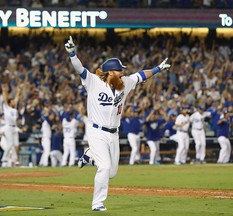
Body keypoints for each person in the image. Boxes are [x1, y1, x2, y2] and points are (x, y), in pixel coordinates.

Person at [65, 36, 170, 211]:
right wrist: (72, 54)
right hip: (97, 131)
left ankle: (89, 156)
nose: (123, 73)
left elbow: (141, 75)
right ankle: (97, 203)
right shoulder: (93, 82)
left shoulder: (125, 83)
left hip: (114, 133)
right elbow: (80, 69)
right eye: (120, 70)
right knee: (105, 167)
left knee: (112, 173)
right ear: (110, 72)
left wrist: (158, 68)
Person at [1, 84, 21, 168]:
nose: (13, 102)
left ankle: (15, 160)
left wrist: (19, 91)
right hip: (8, 127)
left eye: (13, 101)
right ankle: (4, 159)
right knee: (10, 144)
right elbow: (5, 99)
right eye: (12, 101)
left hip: (14, 128)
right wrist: (4, 91)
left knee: (16, 144)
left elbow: (16, 98)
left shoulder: (14, 109)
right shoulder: (6, 108)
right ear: (9, 103)